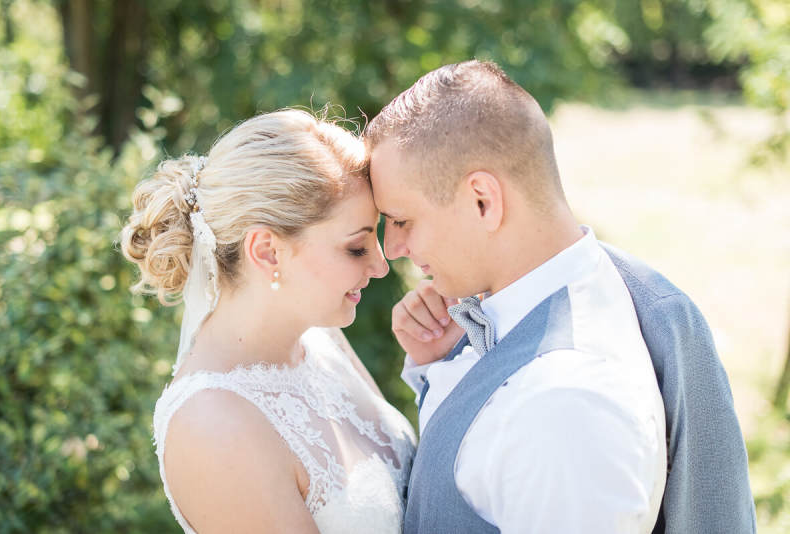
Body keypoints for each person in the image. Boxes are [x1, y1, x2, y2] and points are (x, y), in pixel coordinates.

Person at [365, 60, 755, 533]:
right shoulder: (579, 289)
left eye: (402, 220)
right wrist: (441, 367)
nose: (393, 248)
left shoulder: (563, 404)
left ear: (483, 200)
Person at [119, 110, 416, 534]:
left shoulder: (324, 341)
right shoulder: (211, 425)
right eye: (356, 248)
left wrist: (434, 366)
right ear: (267, 251)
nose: (381, 266)